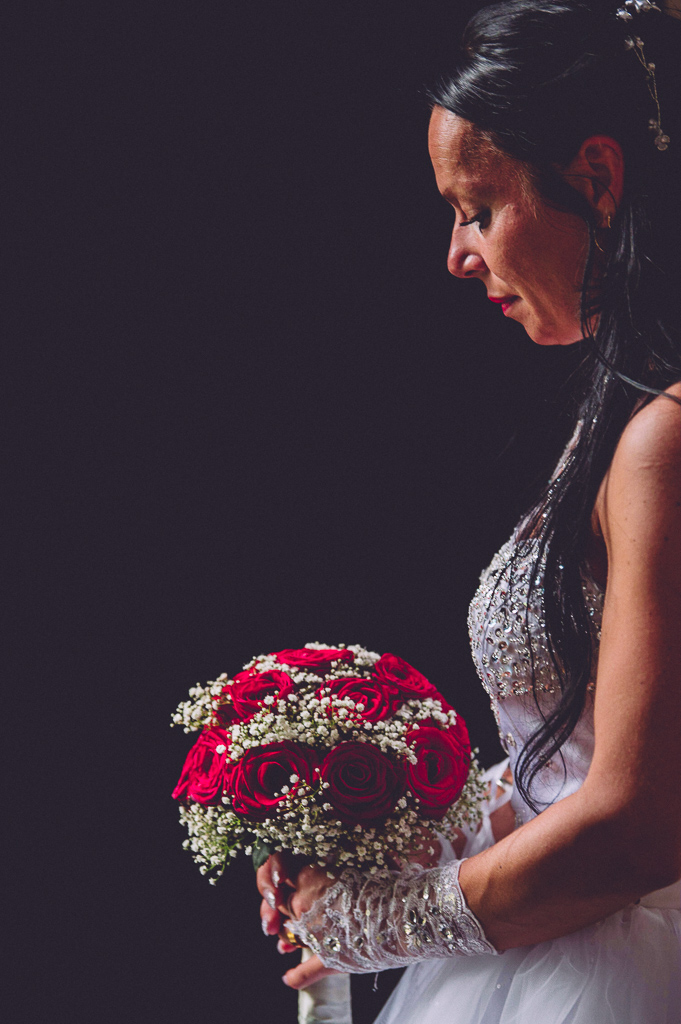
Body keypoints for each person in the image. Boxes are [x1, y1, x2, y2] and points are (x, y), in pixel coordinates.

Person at [257, 1, 681, 1020]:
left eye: (478, 206)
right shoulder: (619, 426)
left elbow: (638, 824)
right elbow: (568, 767)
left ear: (596, 176)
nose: (458, 251)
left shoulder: (668, 437)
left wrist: (375, 918)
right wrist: (400, 843)